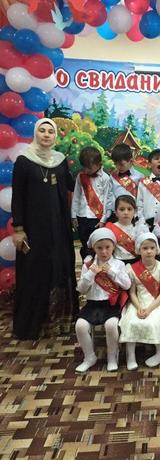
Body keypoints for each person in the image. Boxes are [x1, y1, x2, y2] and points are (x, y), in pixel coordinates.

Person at [12, 118, 78, 340]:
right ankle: (34, 325)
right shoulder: (24, 161)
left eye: (51, 131)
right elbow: (17, 196)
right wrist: (18, 228)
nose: (47, 134)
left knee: (59, 268)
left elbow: (71, 186)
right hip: (33, 229)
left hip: (58, 227)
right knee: (36, 271)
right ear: (35, 133)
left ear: (55, 136)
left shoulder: (60, 161)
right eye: (43, 130)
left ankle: (60, 322)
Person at [75, 228, 131, 372]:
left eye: (107, 247)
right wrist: (90, 274)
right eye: (99, 248)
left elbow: (127, 285)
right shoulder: (88, 266)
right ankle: (89, 357)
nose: (104, 251)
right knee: (80, 326)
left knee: (111, 325)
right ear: (94, 248)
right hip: (92, 304)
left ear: (113, 247)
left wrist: (111, 272)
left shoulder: (119, 264)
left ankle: (112, 356)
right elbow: (81, 289)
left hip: (111, 304)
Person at [119, 232, 160, 370]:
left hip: (156, 302)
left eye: (152, 248)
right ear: (138, 250)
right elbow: (132, 292)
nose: (149, 251)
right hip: (138, 302)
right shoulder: (132, 269)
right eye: (145, 248)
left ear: (157, 249)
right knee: (130, 322)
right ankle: (131, 356)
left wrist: (149, 310)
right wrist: (138, 308)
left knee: (153, 322)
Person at [71, 146, 112, 259]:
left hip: (96, 218)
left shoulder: (105, 178)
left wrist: (103, 219)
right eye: (84, 167)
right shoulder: (80, 176)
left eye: (89, 167)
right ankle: (86, 265)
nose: (86, 170)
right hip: (82, 215)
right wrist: (73, 216)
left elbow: (107, 199)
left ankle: (97, 266)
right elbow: (76, 196)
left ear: (99, 164)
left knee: (96, 244)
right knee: (84, 243)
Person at [105, 195, 148, 264]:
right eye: (122, 209)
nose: (126, 212)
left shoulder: (139, 227)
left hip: (136, 262)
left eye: (129, 209)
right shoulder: (110, 227)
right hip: (117, 263)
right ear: (116, 212)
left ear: (135, 212)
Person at [109, 143, 144, 209]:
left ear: (130, 161)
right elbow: (110, 195)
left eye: (121, 164)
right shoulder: (112, 176)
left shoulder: (140, 176)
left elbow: (141, 198)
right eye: (115, 164)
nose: (118, 167)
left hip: (133, 212)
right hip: (116, 211)